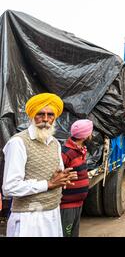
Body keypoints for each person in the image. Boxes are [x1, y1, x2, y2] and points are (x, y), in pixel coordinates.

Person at [2, 93, 77, 237]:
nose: (45, 119)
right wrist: (48, 184)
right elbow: (9, 187)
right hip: (29, 218)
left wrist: (63, 177)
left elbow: (57, 175)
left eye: (50, 115)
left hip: (53, 212)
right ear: (32, 115)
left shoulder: (55, 143)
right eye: (40, 114)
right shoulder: (18, 143)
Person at [60, 119, 93, 237]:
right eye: (90, 132)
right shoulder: (66, 152)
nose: (92, 135)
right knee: (66, 233)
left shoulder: (80, 150)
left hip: (78, 203)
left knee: (74, 233)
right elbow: (57, 175)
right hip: (67, 205)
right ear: (85, 136)